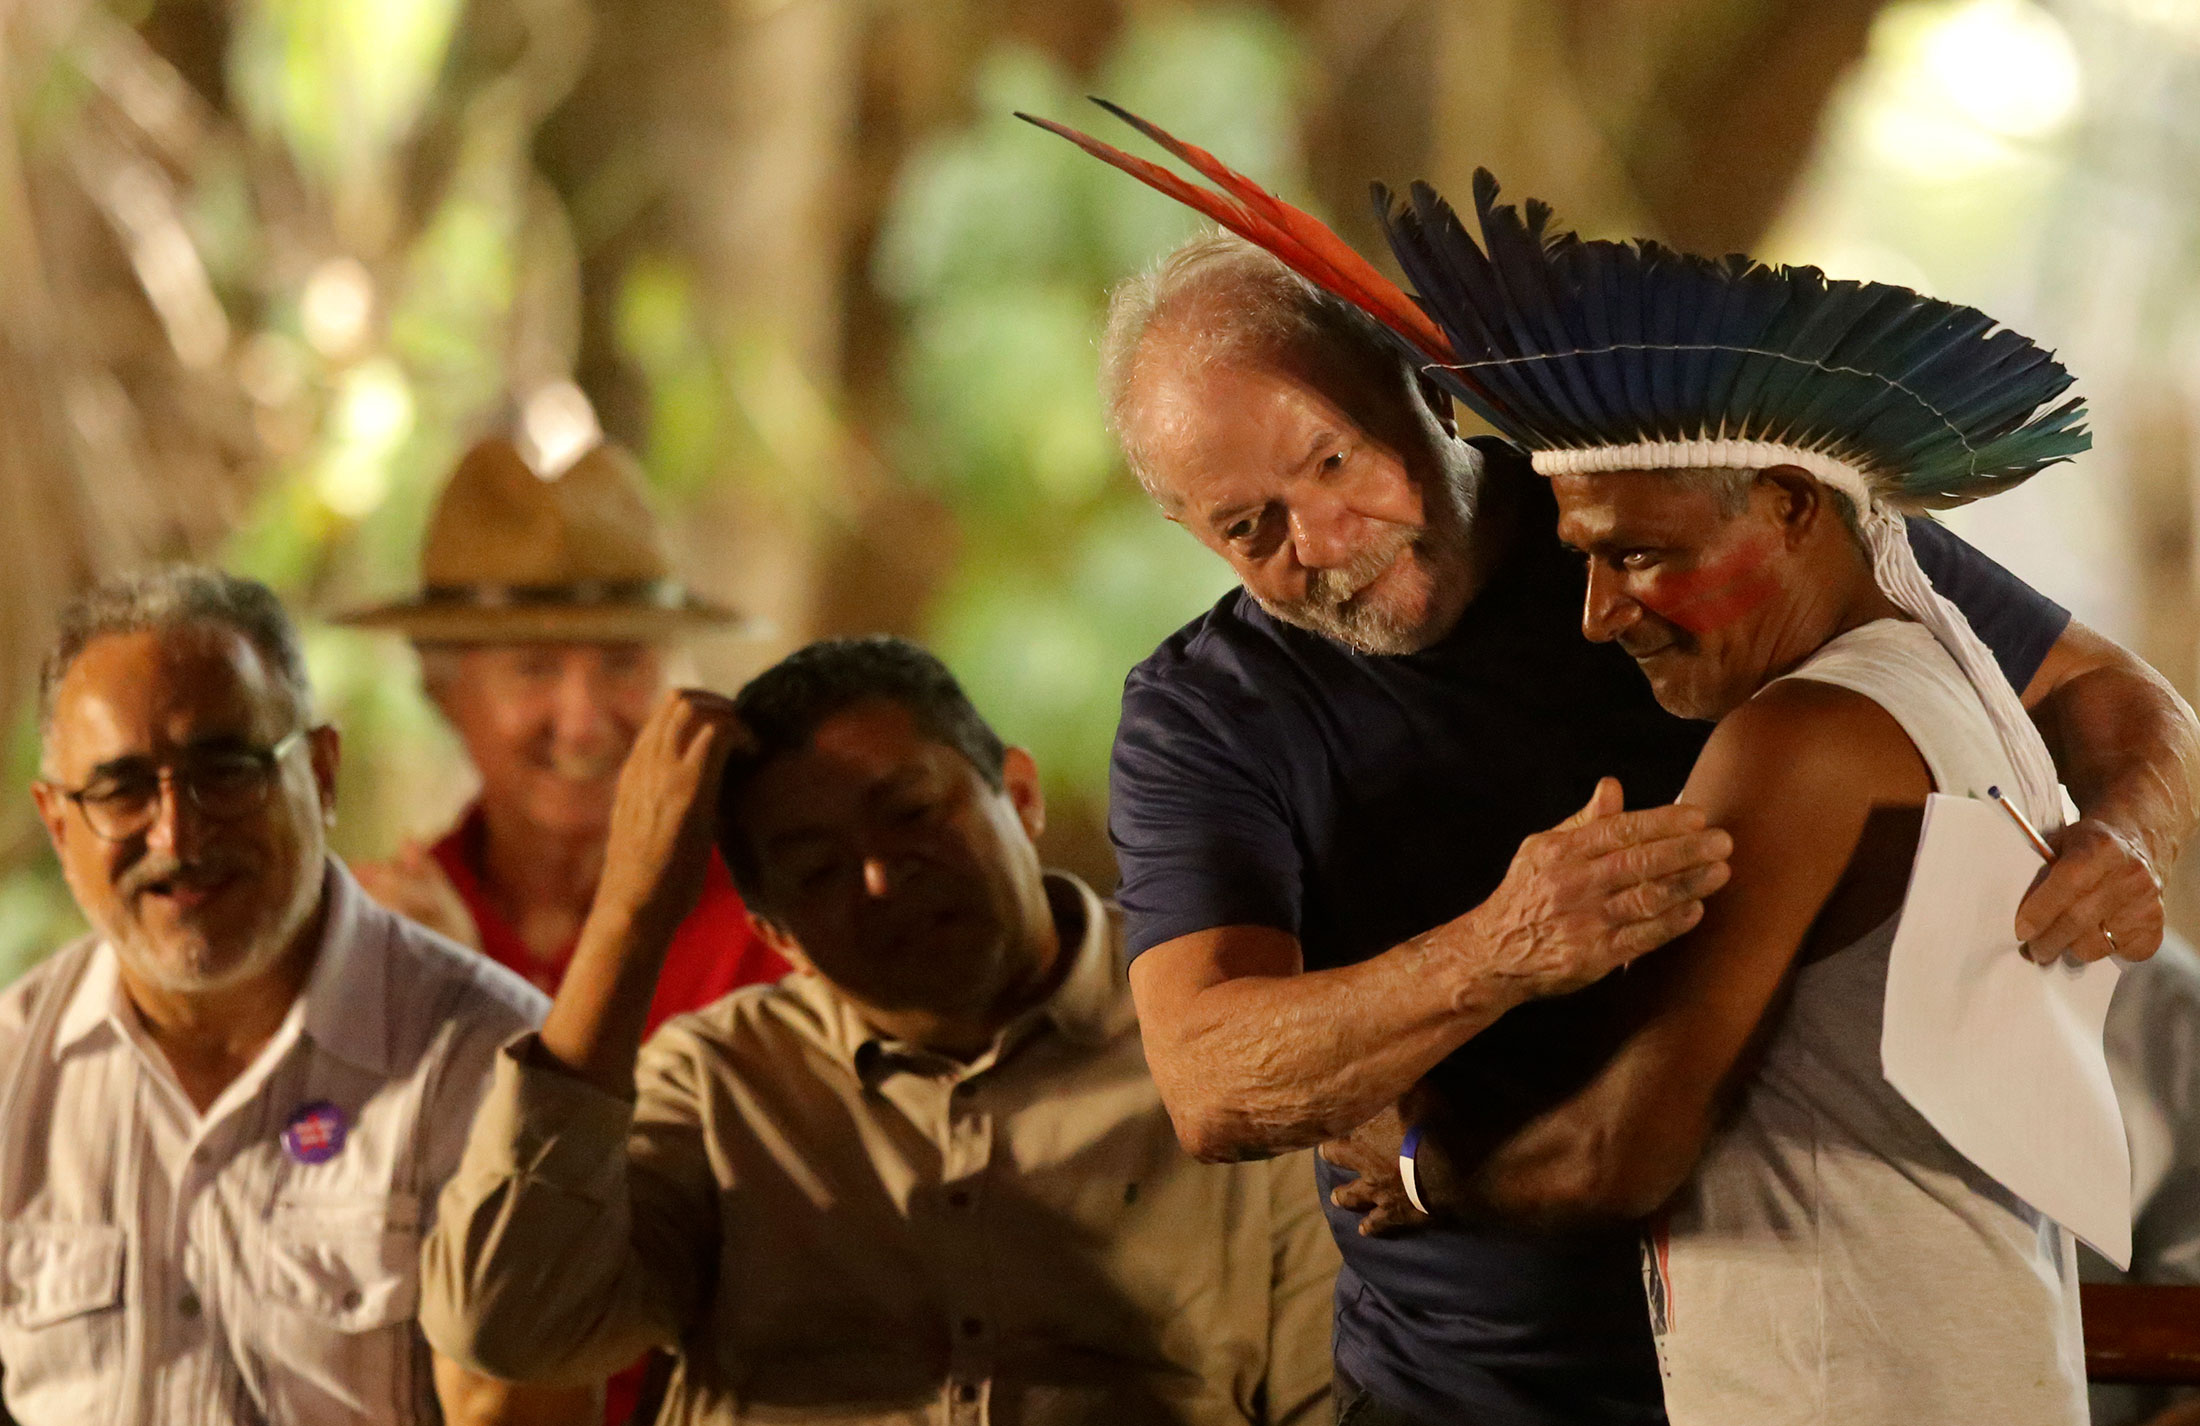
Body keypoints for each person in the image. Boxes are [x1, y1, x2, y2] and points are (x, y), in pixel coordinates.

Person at [1027, 109, 2200, 1425]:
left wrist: (2128, 837)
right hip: (1479, 1385)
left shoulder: (1659, 505)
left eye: (1331, 461)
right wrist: (1501, 949)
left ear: (1425, 390)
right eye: (1251, 528)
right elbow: (1211, 1076)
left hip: (1801, 1344)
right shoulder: (1207, 712)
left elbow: (2111, 693)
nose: (1322, 537)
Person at [420, 636, 1341, 1425]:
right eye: (816, 871)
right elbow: (506, 1324)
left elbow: (1332, 1385)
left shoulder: (1222, 1035)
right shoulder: (719, 1082)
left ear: (1019, 794)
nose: (879, 879)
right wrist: (629, 912)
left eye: (912, 814)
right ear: (780, 940)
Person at [0, 566, 591, 1424]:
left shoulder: (489, 1064)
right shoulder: (15, 1071)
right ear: (59, 825)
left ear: (321, 772)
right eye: (124, 790)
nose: (177, 833)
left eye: (226, 770)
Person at [341, 434, 787, 1029]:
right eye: (534, 666)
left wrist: (473, 1001)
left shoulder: (768, 919)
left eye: (623, 661)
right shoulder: (390, 930)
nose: (582, 724)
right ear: (442, 690)